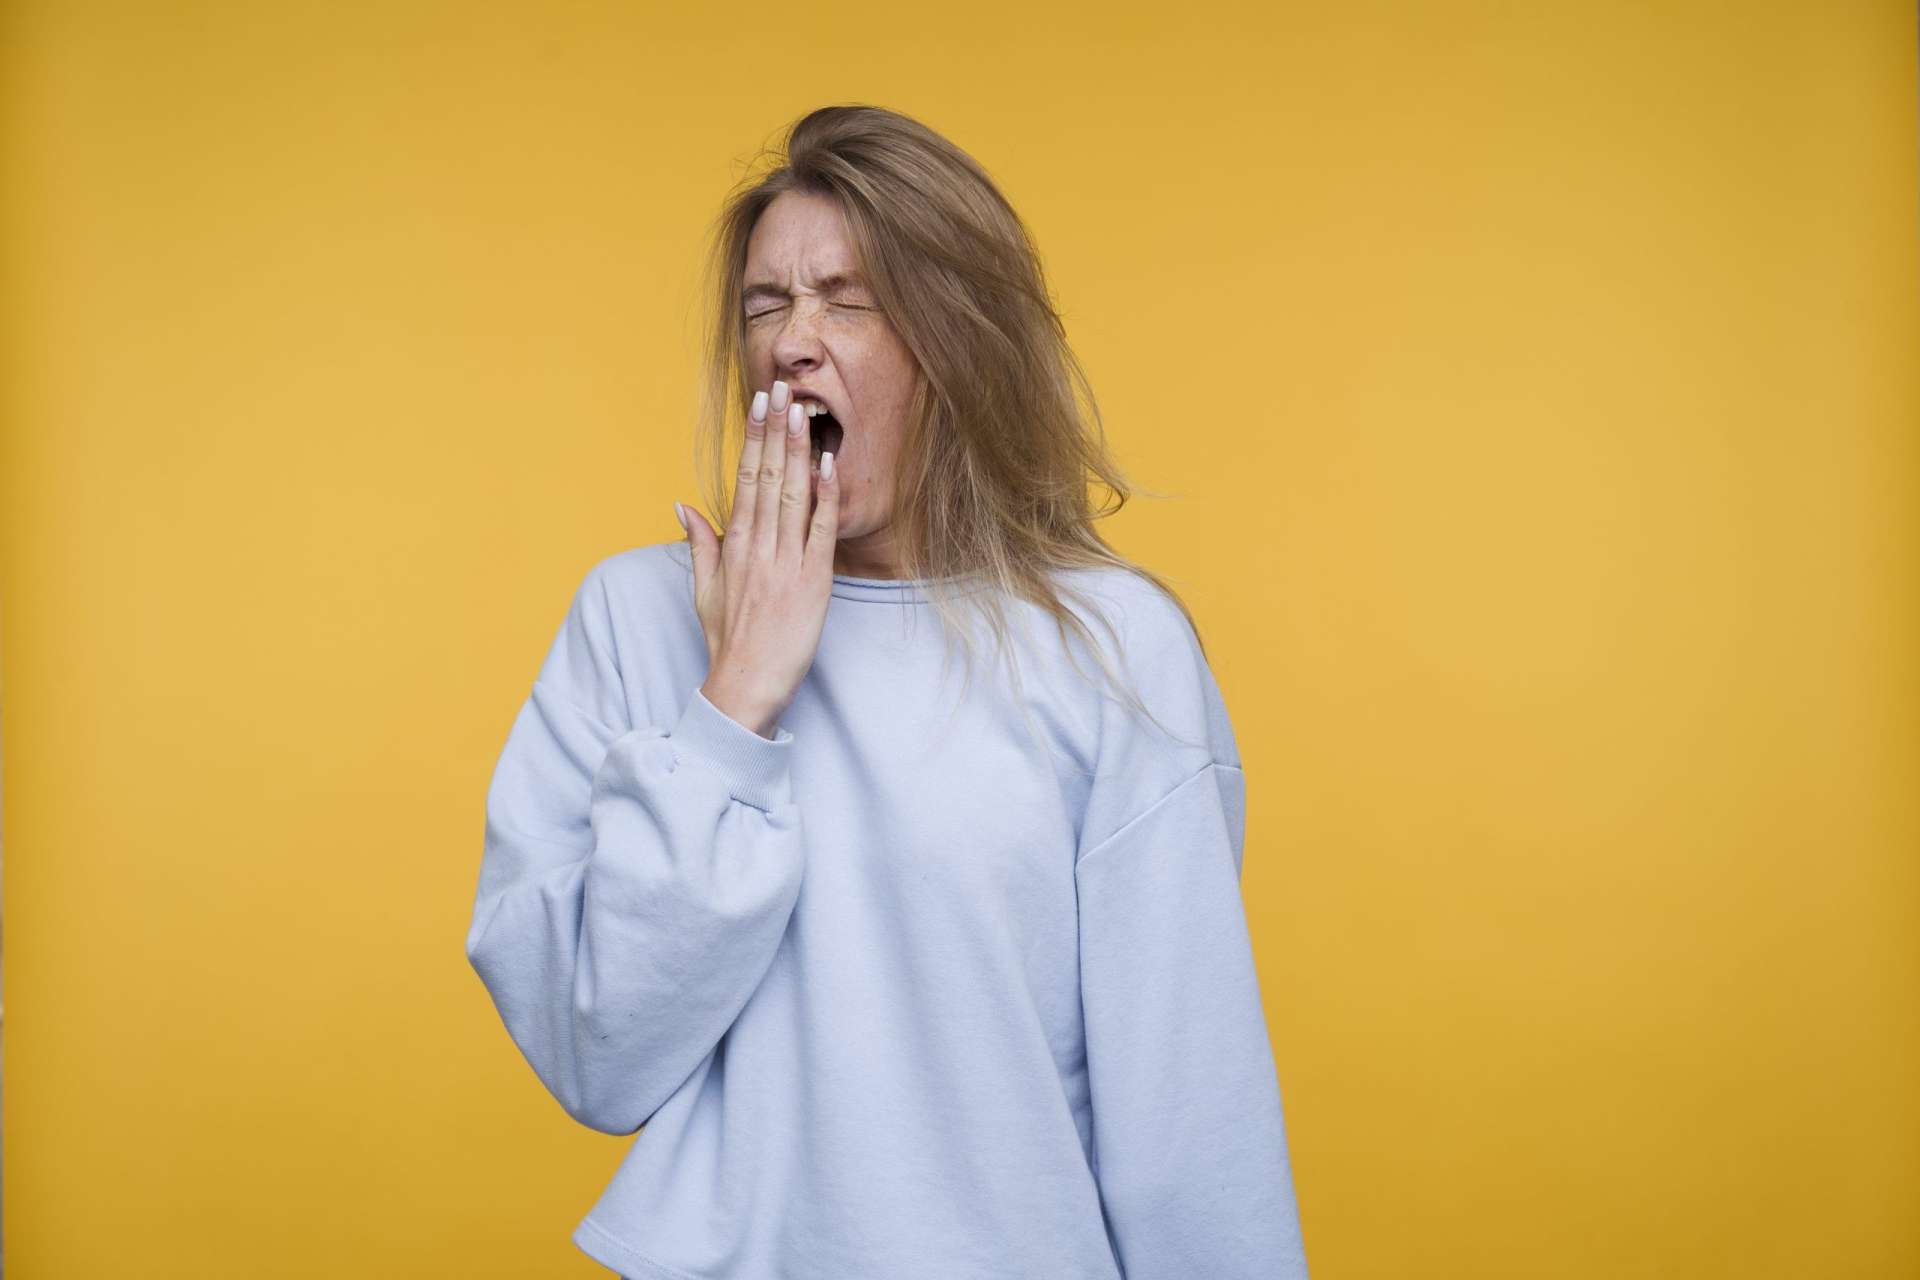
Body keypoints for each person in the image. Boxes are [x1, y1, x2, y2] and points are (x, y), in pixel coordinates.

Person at [464, 103, 1310, 1279]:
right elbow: (599, 1055)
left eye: (847, 299)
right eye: (766, 303)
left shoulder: (1115, 649)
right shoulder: (632, 616)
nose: (792, 342)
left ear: (956, 342)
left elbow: (1191, 1123)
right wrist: (734, 699)